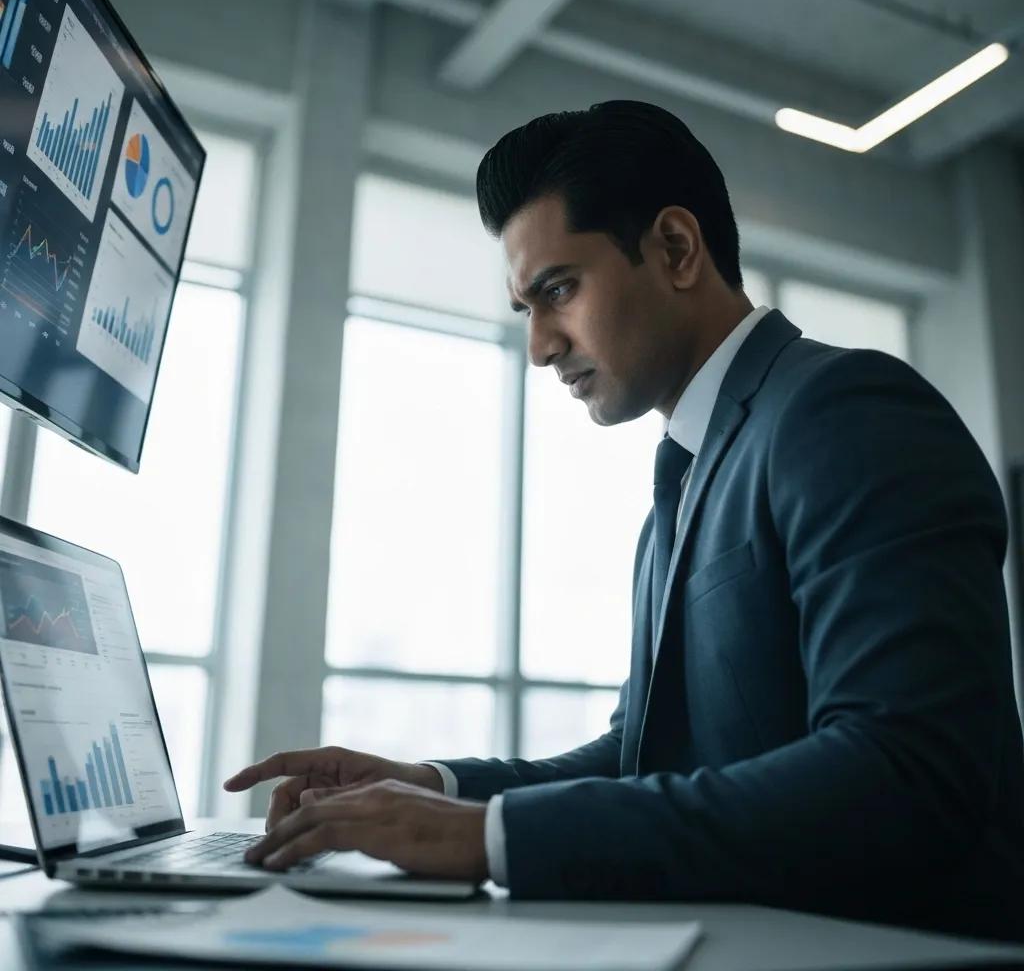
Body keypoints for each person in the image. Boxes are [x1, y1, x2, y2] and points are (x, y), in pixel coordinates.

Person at [225, 101, 1024, 941]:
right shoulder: (686, 482)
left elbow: (909, 772)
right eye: (525, 310)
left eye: (558, 291)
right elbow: (640, 756)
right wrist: (436, 789)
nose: (539, 346)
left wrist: (491, 841)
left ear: (675, 249)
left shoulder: (845, 410)